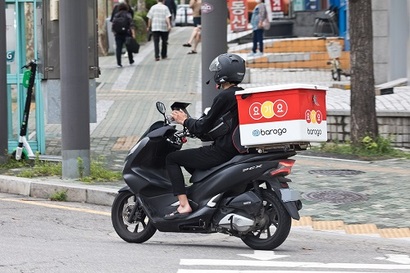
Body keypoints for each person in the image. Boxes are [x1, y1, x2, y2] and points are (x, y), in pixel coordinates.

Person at [164, 53, 246, 220]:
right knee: (196, 160)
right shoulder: (243, 95)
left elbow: (203, 126)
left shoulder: (224, 96)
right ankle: (204, 196)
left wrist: (184, 120)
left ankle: (183, 204)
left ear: (220, 74)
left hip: (222, 152)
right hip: (237, 150)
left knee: (172, 158)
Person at [111, 2, 135, 67]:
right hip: (127, 33)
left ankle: (119, 62)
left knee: (118, 48)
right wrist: (133, 33)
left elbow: (113, 24)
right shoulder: (128, 14)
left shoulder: (116, 15)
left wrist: (114, 32)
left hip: (118, 34)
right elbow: (131, 24)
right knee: (129, 47)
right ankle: (131, 60)